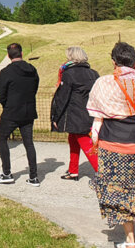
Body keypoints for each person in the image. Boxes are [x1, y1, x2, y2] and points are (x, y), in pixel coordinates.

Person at [88, 42, 135, 248]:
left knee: (118, 191)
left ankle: (130, 239)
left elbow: (95, 110)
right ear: (134, 61)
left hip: (112, 141)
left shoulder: (104, 82)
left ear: (113, 61)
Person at [0, 43, 40, 186]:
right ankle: (33, 177)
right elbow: (35, 88)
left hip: (12, 111)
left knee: (1, 138)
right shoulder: (32, 69)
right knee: (29, 143)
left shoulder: (6, 72)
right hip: (28, 110)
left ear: (8, 56)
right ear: (22, 53)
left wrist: (7, 105)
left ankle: (7, 173)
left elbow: (1, 94)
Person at [50, 46, 99, 180]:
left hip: (75, 114)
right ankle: (73, 170)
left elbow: (62, 97)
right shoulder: (93, 73)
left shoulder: (69, 74)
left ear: (72, 57)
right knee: (73, 139)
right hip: (89, 112)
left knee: (85, 143)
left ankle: (102, 173)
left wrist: (55, 117)